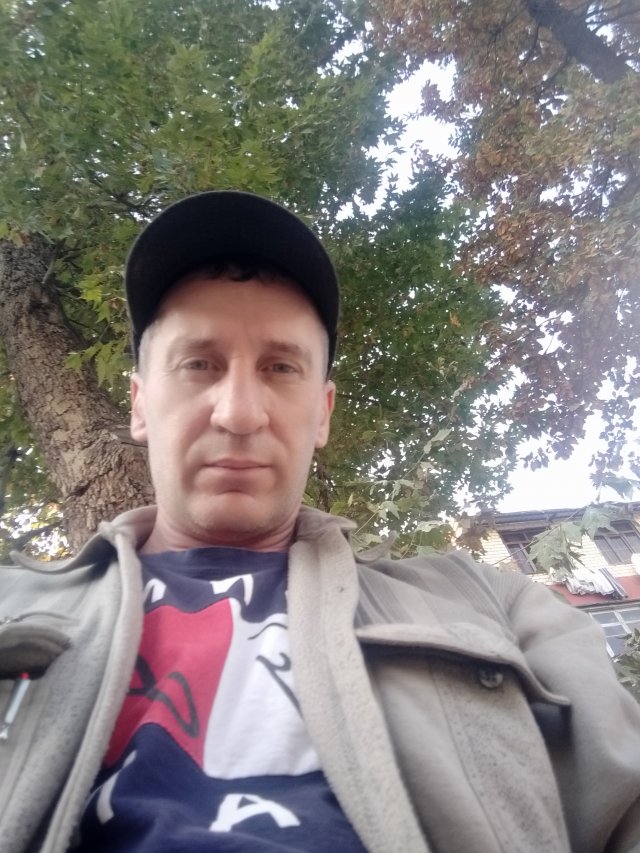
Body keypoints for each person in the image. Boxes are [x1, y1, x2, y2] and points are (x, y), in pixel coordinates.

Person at [1, 191, 640, 853]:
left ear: (323, 413)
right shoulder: (13, 608)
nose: (239, 413)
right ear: (139, 404)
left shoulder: (490, 602)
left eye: (281, 367)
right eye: (199, 364)